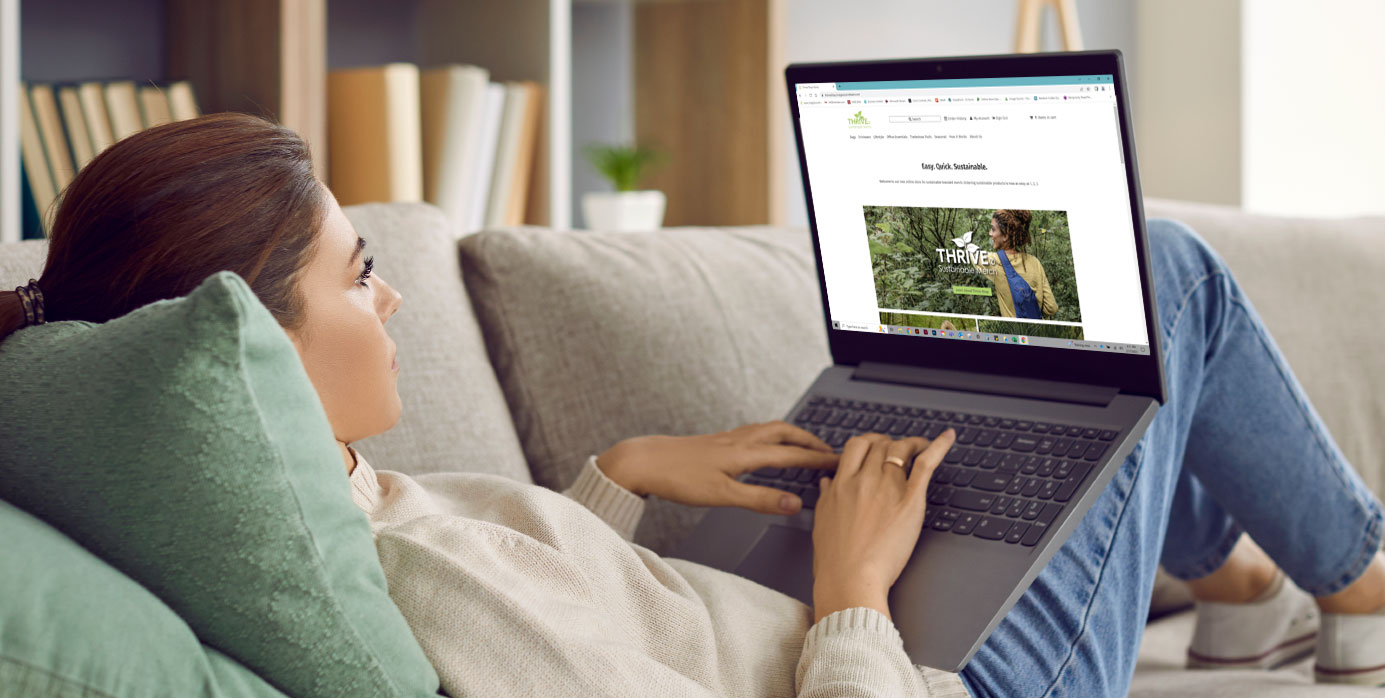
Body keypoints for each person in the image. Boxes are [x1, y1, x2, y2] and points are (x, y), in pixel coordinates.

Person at [1, 114, 1382, 696]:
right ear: (254, 341)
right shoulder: (418, 584)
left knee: (1061, 385)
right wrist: (852, 593)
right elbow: (515, 625)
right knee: (1164, 277)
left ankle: (1234, 574)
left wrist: (621, 472)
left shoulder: (346, 501)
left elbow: (549, 599)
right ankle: (1360, 582)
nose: (397, 298)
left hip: (843, 622)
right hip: (921, 668)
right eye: (364, 276)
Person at [974, 209, 1059, 320]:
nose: (990, 233)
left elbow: (972, 255)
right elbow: (1051, 308)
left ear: (1005, 236)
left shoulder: (993, 261)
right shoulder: (1035, 262)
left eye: (993, 229)